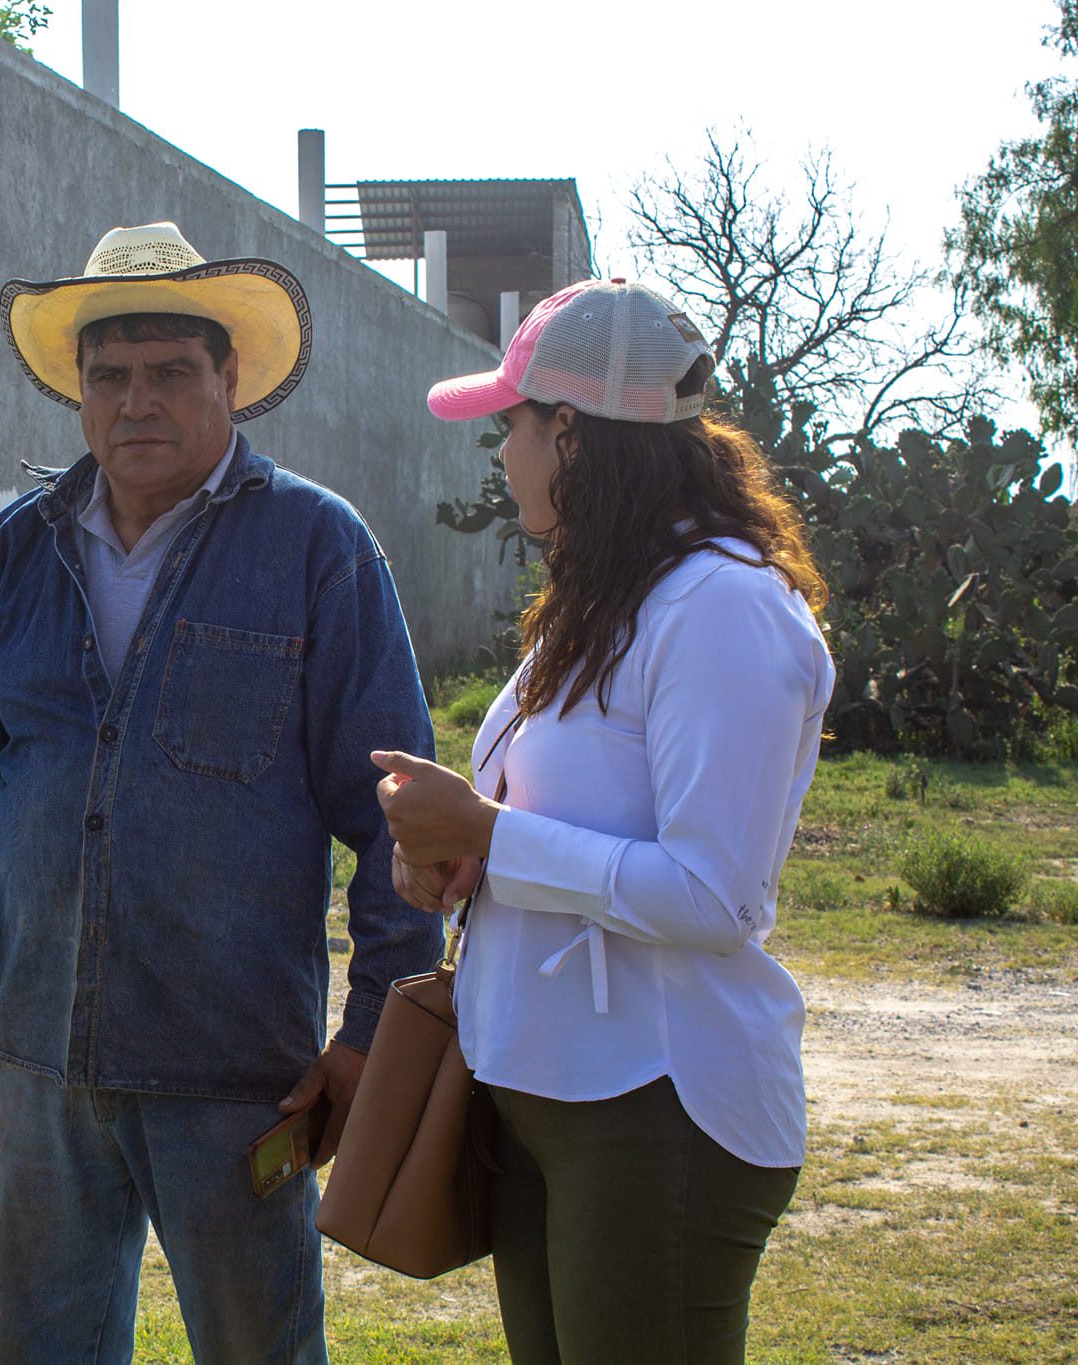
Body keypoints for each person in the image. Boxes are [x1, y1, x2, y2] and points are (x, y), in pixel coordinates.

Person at [0, 222, 440, 1364]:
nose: (136, 402)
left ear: (228, 380)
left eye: (170, 373)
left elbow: (400, 814)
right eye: (110, 376)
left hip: (238, 1074)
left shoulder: (315, 549)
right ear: (79, 392)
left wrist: (371, 1031)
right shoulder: (12, 557)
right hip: (47, 1059)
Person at [371, 278, 834, 1364]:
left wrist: (486, 836)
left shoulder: (720, 606)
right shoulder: (612, 597)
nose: (500, 453)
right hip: (545, 1083)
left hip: (655, 1106)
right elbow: (561, 830)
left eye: (510, 425)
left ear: (569, 435)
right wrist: (452, 862)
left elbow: (716, 896)